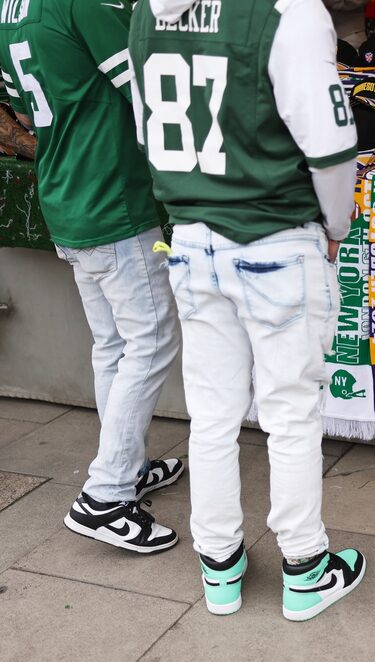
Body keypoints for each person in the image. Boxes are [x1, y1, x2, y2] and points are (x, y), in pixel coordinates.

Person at [129, 0, 362, 621]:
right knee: (290, 414)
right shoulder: (288, 10)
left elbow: (146, 131)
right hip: (275, 235)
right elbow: (332, 148)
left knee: (212, 415)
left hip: (191, 235)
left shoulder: (145, 10)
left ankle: (219, 566)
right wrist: (336, 228)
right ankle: (305, 568)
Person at [0, 0, 183, 553]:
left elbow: (23, 115)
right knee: (150, 340)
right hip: (111, 198)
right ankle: (106, 493)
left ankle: (127, 466)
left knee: (114, 344)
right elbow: (154, 91)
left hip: (68, 192)